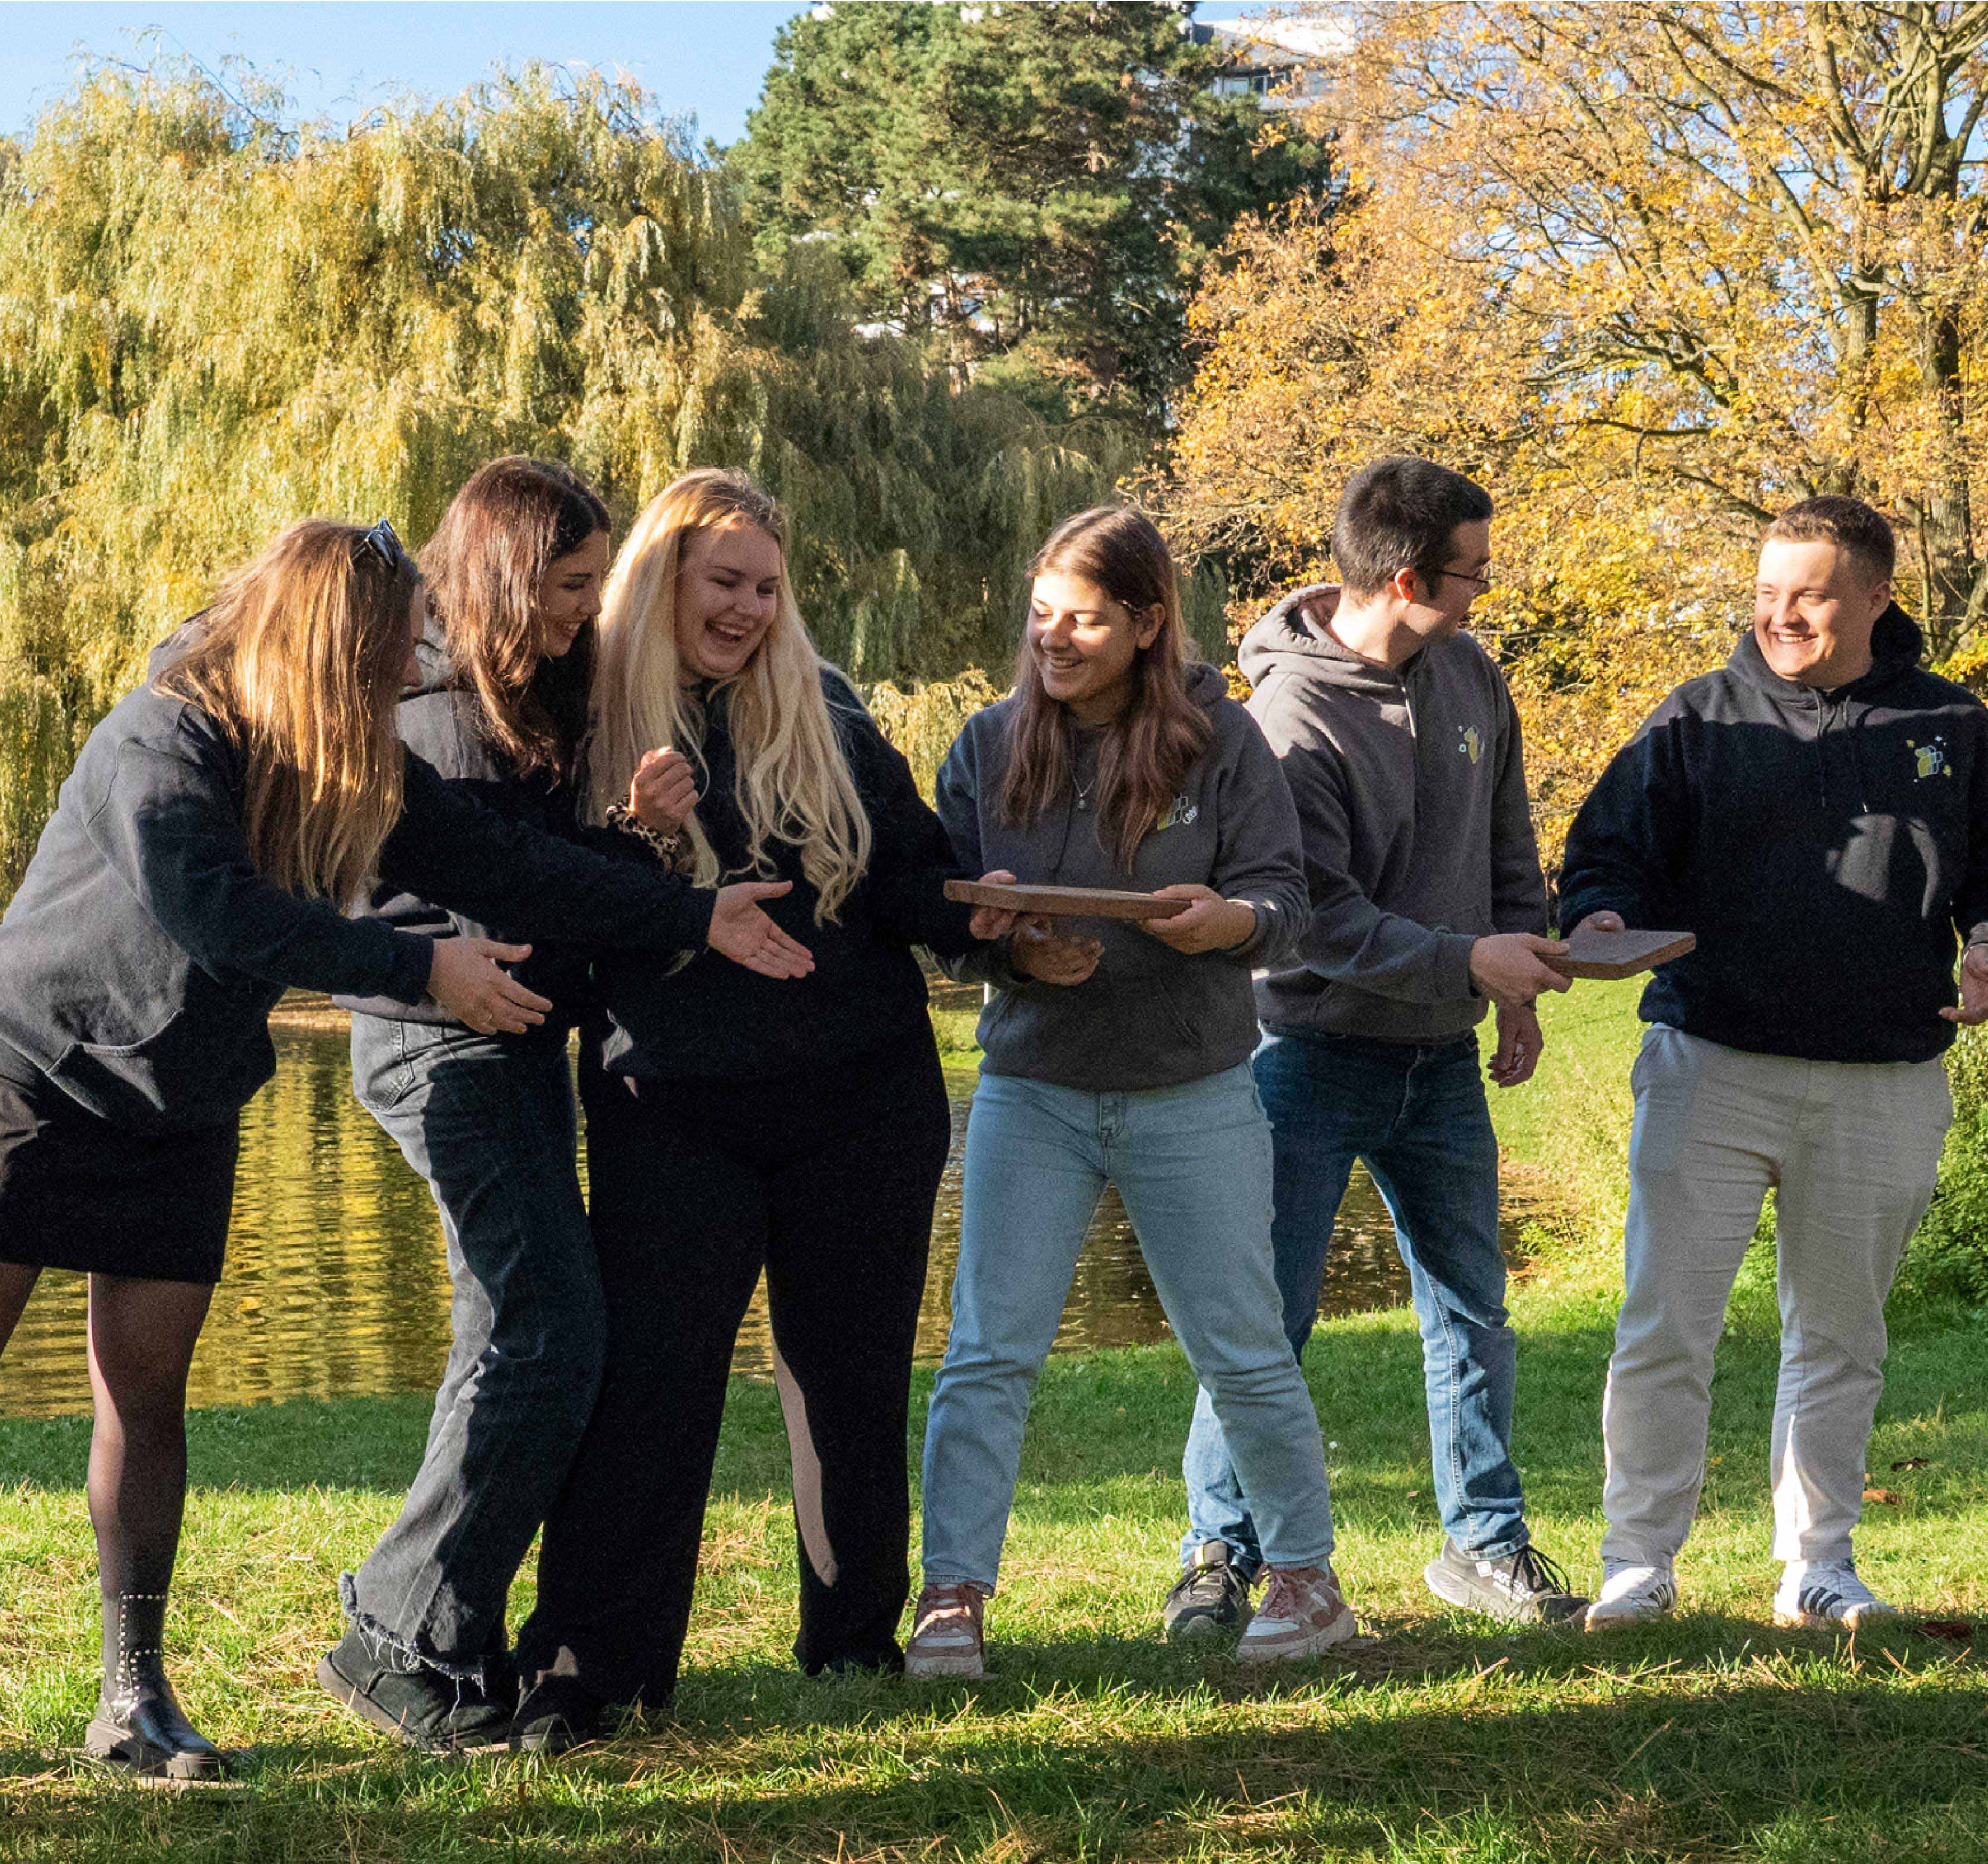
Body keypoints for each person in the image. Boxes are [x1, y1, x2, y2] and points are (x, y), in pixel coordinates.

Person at [0, 517, 813, 1786]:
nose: (402, 683)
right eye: (382, 661)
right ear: (322, 647)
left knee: (143, 1389)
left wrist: (692, 911)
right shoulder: (163, 735)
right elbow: (215, 912)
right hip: (31, 1075)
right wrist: (419, 964)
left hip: (184, 1096)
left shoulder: (351, 760)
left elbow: (505, 863)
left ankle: (132, 1701)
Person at [507, 467, 1016, 1749]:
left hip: (863, 1096)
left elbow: (907, 877)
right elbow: (556, 934)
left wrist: (982, 913)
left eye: (768, 588)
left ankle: (852, 1644)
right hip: (670, 1103)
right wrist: (634, 837)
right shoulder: (583, 720)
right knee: (650, 1386)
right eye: (724, 581)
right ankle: (597, 1669)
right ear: (663, 578)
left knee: (848, 1382)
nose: (747, 609)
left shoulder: (827, 710)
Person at [1548, 497, 1988, 1632]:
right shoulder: (1695, 722)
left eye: (1811, 595)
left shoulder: (1951, 724)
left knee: (1837, 1338)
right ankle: (1637, 1563)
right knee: (1663, 1326)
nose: (1781, 615)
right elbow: (1601, 859)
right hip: (1710, 1064)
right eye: (1768, 592)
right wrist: (1599, 921)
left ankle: (1816, 1566)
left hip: (1884, 1076)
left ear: (1875, 597)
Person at [906, 505, 1349, 1679]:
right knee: (988, 1352)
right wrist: (1006, 947)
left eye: (1086, 620)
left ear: (1148, 624)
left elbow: (1284, 904)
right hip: (1032, 1090)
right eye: (1043, 614)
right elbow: (944, 922)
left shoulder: (1224, 744)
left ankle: (1306, 1580)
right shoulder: (987, 744)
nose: (1054, 639)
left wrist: (1228, 925)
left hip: (1192, 1090)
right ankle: (952, 1597)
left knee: (1242, 1346)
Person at [317, 457, 694, 1752]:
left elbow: (536, 881)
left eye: (599, 587)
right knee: (544, 1332)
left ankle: (439, 1636)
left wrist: (630, 841)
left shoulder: (512, 691)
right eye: (571, 586)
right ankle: (400, 1631)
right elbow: (508, 896)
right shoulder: (432, 705)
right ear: (505, 574)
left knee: (521, 1334)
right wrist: (650, 867)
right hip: (444, 1042)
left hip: (508, 1043)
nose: (588, 613)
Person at [1188, 456, 1582, 1633]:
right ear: (1408, 577)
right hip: (1303, 1057)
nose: (1481, 594)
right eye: (1471, 575)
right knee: (1269, 1319)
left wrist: (1516, 980)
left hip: (1440, 1063)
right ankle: (1220, 1554)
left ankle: (1485, 1544)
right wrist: (1471, 963)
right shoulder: (1287, 719)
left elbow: (1509, 849)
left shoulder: (1470, 677)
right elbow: (1322, 920)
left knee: (1472, 1309)